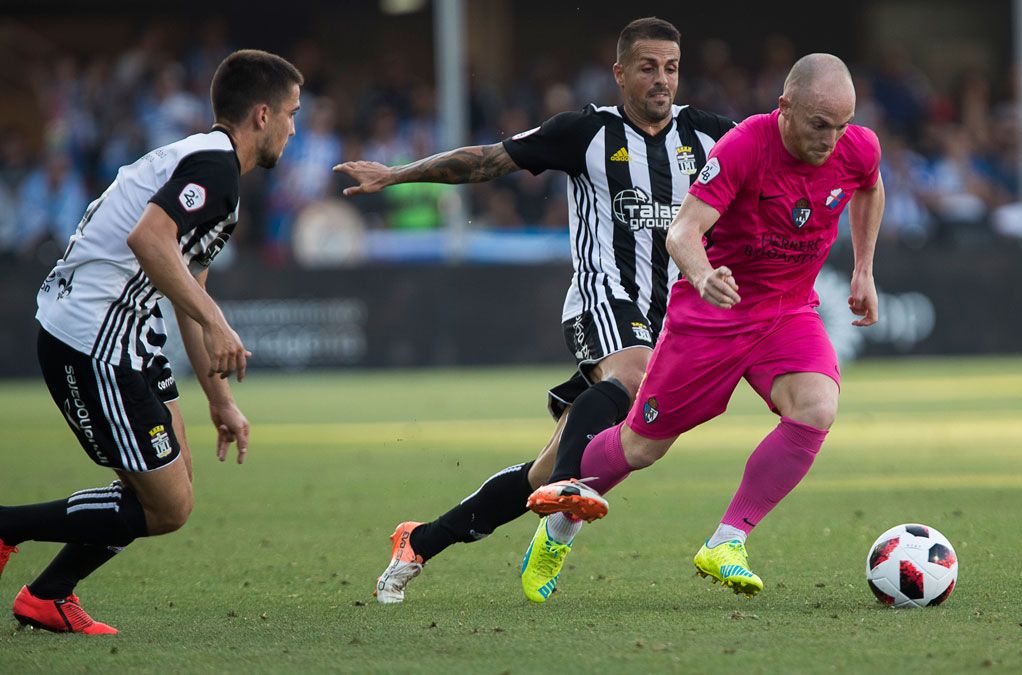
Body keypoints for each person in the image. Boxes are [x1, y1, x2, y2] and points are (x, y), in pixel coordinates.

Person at [333, 17, 736, 605]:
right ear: (620, 72)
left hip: (673, 316)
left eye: (671, 68)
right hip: (605, 298)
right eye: (648, 67)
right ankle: (571, 488)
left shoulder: (709, 136)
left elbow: (772, 156)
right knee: (632, 374)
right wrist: (398, 174)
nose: (661, 80)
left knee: (540, 473)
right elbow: (486, 160)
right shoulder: (585, 132)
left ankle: (419, 541)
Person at [525, 53, 884, 598]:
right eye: (818, 125)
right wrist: (702, 275)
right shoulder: (743, 147)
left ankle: (727, 540)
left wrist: (863, 268)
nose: (832, 139)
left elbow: (869, 187)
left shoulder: (858, 146)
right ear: (784, 108)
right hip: (711, 317)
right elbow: (682, 231)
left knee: (817, 407)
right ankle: (558, 525)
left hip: (788, 311)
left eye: (842, 124)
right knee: (641, 447)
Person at [0, 49, 302, 634]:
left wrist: (219, 400)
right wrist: (219, 321)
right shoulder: (213, 168)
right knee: (166, 506)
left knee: (169, 489)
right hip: (90, 340)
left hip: (127, 337)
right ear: (262, 115)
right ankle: (9, 527)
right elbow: (149, 240)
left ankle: (47, 595)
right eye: (292, 113)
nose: (295, 128)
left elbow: (184, 284)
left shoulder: (210, 168)